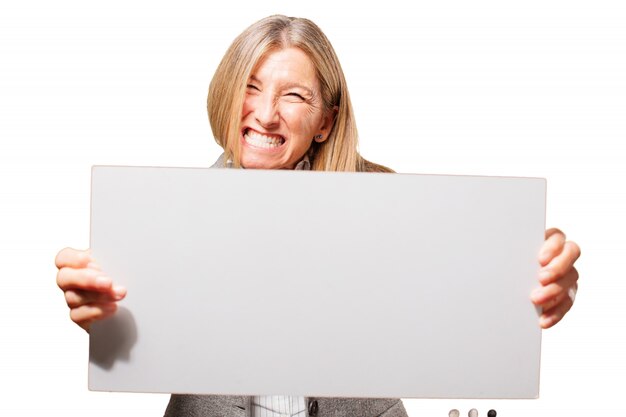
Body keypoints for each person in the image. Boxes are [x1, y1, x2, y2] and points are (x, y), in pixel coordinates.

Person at [55, 15, 581, 417]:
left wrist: (544, 270)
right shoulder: (167, 216)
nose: (264, 113)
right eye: (252, 87)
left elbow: (485, 268)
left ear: (325, 121)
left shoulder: (384, 202)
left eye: (294, 96)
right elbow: (130, 331)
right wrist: (97, 308)